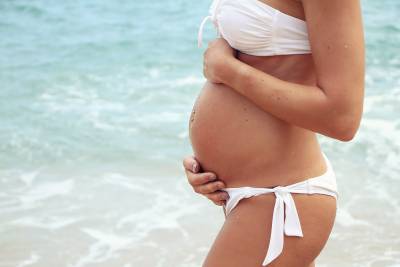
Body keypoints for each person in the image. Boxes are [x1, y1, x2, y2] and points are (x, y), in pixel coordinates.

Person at [183, 0, 364, 266]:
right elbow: (266, 64)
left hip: (283, 198)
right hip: (252, 195)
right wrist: (210, 163)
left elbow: (342, 118)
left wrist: (227, 70)